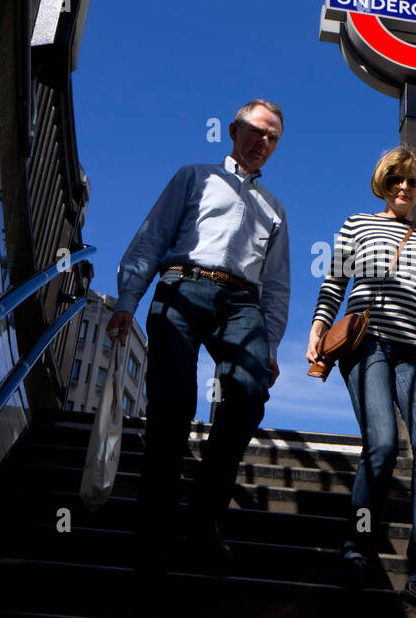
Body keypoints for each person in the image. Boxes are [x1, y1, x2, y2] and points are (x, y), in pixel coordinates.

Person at [108, 100, 290, 575]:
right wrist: (128, 298)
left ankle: (203, 516)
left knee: (249, 395)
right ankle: (154, 527)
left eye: (272, 136)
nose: (263, 141)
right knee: (172, 406)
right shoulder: (194, 176)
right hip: (182, 284)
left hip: (241, 303)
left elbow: (277, 284)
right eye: (256, 130)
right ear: (233, 130)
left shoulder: (275, 210)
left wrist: (269, 344)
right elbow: (152, 236)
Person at [307, 147, 416, 618]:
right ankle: (357, 551)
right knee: (383, 445)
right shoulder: (357, 224)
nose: (404, 188)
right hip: (367, 343)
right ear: (383, 180)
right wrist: (318, 326)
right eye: (397, 179)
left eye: (413, 182)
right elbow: (334, 282)